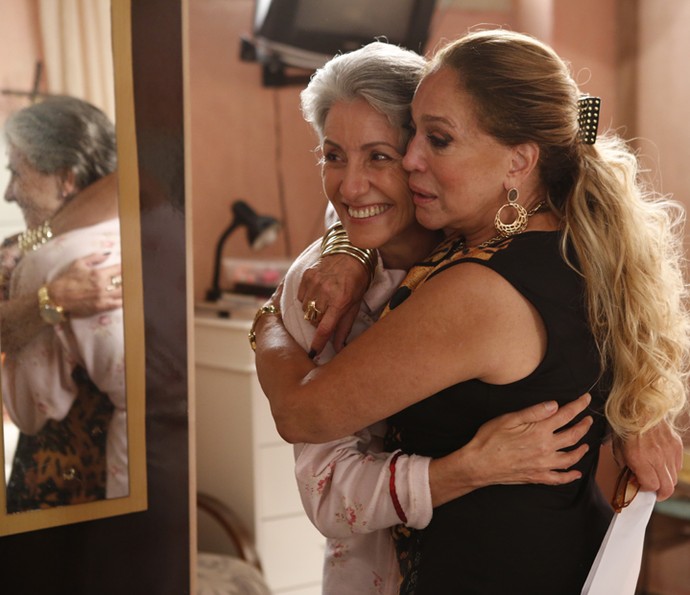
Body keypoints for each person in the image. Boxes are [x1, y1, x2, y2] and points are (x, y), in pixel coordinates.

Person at [252, 30, 689, 594]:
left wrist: (266, 324)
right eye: (332, 155)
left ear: (519, 160)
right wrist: (348, 248)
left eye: (435, 140)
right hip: (551, 557)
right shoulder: (570, 240)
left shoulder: (479, 287)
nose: (412, 162)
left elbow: (303, 414)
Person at [1, 96, 128, 510]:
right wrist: (50, 298)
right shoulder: (20, 255)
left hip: (66, 485)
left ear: (66, 179)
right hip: (70, 478)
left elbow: (28, 409)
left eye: (16, 174)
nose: (8, 193)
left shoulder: (57, 257)